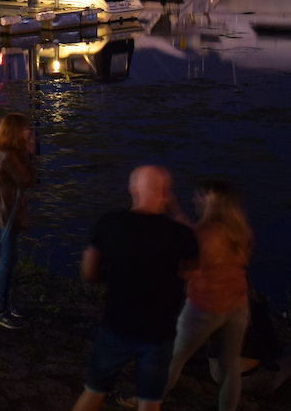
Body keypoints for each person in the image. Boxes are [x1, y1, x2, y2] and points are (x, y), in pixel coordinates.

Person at [70, 165, 199, 411]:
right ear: (166, 193)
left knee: (94, 390)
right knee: (149, 401)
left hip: (117, 323)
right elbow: (192, 273)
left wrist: (107, 275)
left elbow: (88, 273)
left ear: (132, 189)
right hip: (158, 330)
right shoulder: (180, 234)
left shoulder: (109, 223)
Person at [162, 180, 252, 411]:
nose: (194, 200)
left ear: (212, 202)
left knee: (174, 357)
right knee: (230, 365)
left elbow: (188, 270)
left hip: (204, 307)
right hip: (237, 306)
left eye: (199, 197)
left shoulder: (202, 233)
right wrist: (176, 211)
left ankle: (147, 400)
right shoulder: (240, 231)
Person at [0, 112, 37, 329]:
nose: (29, 133)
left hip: (4, 209)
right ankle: (2, 308)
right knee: (8, 258)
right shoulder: (8, 156)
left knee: (10, 257)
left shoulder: (4, 153)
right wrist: (31, 154)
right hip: (7, 212)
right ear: (16, 132)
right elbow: (28, 180)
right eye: (25, 129)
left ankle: (3, 301)